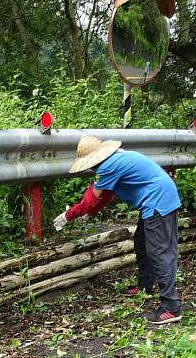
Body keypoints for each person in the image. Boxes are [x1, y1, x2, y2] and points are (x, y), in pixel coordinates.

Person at [53, 135, 182, 325]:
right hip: (158, 199)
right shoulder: (116, 160)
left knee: (159, 252)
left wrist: (69, 215)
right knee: (142, 244)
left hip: (157, 202)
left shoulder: (108, 166)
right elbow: (105, 196)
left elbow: (91, 199)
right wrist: (90, 211)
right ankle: (144, 286)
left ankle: (170, 306)